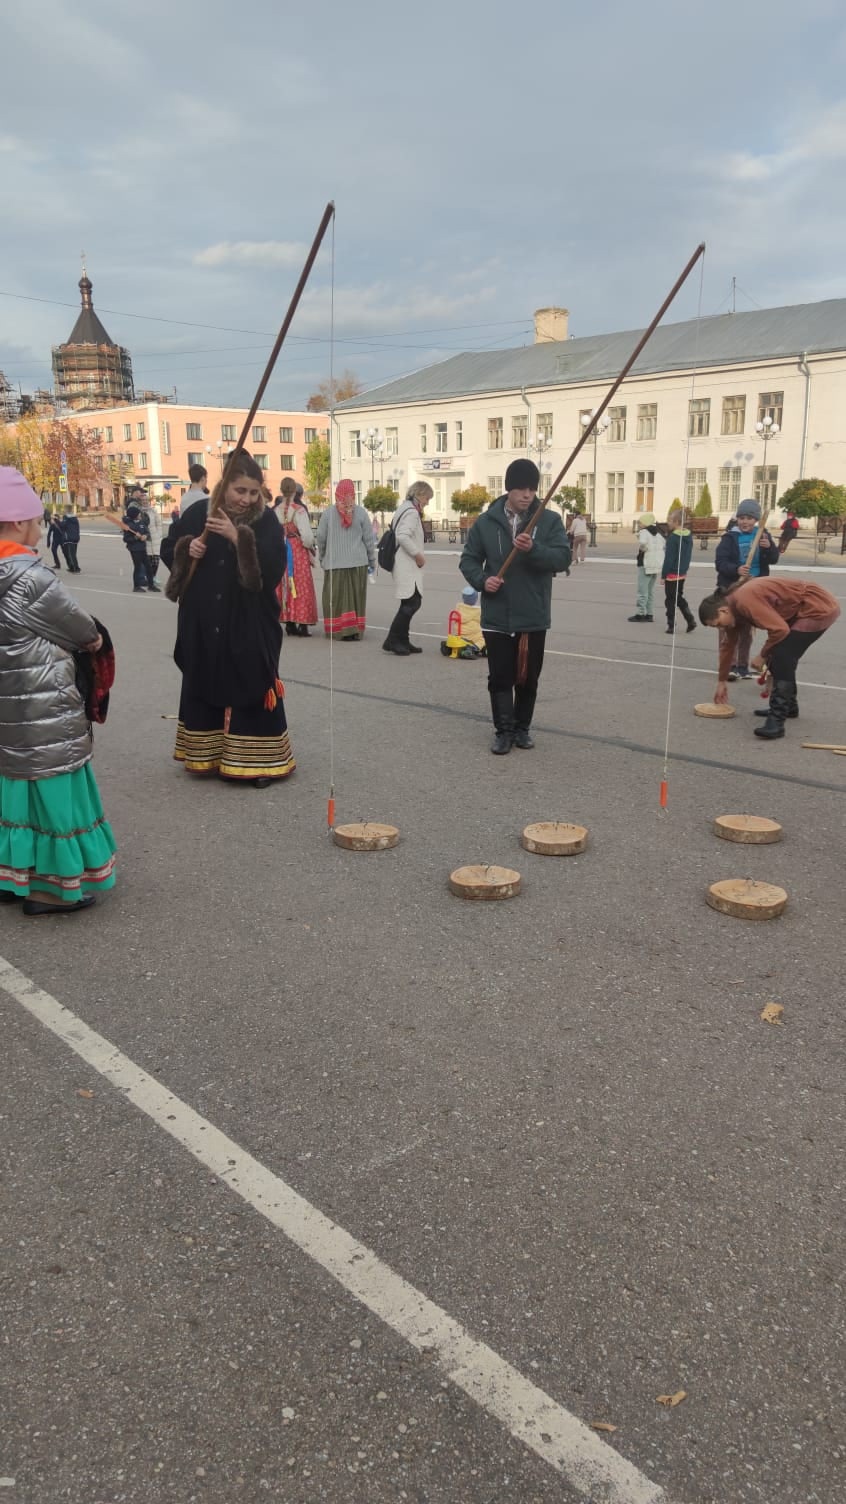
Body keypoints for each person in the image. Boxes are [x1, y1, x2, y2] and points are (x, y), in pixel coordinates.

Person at [0, 467, 116, 915]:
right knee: (54, 792)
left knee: (14, 789)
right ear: (17, 523)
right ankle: (50, 887)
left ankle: (14, 876)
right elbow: (81, 629)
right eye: (35, 520)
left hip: (8, 712)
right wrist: (97, 642)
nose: (39, 528)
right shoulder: (29, 577)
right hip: (43, 706)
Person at [161, 451, 294, 787]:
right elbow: (168, 546)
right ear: (224, 486)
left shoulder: (264, 521)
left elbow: (273, 568)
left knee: (251, 676)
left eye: (253, 492)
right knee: (204, 674)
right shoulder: (196, 514)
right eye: (240, 491)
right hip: (203, 616)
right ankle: (205, 754)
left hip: (247, 617)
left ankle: (257, 761)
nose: (246, 499)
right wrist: (186, 549)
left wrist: (238, 538)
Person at [460, 458, 571, 753]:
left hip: (533, 613)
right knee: (500, 677)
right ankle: (503, 731)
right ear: (508, 489)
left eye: (532, 489)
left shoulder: (548, 521)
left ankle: (522, 728)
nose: (527, 495)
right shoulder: (486, 523)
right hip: (497, 614)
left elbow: (562, 557)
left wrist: (535, 549)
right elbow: (468, 560)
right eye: (521, 488)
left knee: (528, 677)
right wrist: (484, 581)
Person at [698, 578, 840, 739]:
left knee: (782, 656)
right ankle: (789, 708)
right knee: (779, 654)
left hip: (817, 607)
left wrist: (762, 655)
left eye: (717, 624)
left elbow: (779, 630)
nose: (719, 628)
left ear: (723, 610)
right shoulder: (732, 613)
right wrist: (721, 681)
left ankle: (776, 722)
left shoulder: (744, 600)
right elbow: (727, 647)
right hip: (797, 612)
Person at [714, 498, 779, 680]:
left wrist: (768, 549)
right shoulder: (729, 538)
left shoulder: (762, 535)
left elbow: (773, 558)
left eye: (749, 518)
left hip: (754, 590)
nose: (745, 522)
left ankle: (742, 666)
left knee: (746, 630)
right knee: (728, 628)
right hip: (732, 589)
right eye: (741, 518)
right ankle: (729, 666)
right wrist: (736, 569)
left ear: (756, 519)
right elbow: (720, 563)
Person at [315, 479, 376, 641]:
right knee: (356, 598)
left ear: (337, 494)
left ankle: (338, 631)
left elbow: (320, 538)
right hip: (358, 564)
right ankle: (355, 630)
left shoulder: (328, 514)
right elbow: (369, 541)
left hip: (334, 565)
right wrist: (372, 562)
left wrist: (323, 557)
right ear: (353, 494)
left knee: (335, 599)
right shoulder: (361, 513)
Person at [382, 480, 432, 656]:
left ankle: (402, 639)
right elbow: (403, 536)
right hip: (407, 563)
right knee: (412, 602)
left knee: (409, 601)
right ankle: (393, 639)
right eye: (427, 498)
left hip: (403, 562)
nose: (427, 502)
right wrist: (417, 554)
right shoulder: (411, 512)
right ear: (419, 495)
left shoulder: (405, 507)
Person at [278, 478, 318, 637]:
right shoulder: (299, 510)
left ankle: (289, 622)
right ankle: (302, 623)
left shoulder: (276, 510)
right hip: (297, 551)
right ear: (294, 491)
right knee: (301, 585)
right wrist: (310, 547)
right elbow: (307, 537)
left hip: (283, 549)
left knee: (286, 584)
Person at [662, 510, 696, 634]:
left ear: (676, 522)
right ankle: (690, 619)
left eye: (669, 520)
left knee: (670, 599)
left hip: (672, 573)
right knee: (678, 596)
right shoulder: (688, 535)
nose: (668, 522)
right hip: (682, 572)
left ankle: (671, 624)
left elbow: (669, 558)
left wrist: (663, 575)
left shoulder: (673, 538)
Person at [628, 512, 664, 622]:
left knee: (642, 591)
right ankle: (650, 614)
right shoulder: (658, 534)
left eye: (640, 522)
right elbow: (663, 544)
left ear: (645, 523)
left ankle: (640, 614)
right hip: (655, 565)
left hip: (645, 564)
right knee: (650, 591)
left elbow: (643, 543)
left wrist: (643, 548)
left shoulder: (644, 532)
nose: (639, 524)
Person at [121, 500, 153, 592]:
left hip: (143, 548)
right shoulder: (128, 525)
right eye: (138, 514)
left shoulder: (141, 523)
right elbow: (126, 539)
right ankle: (136, 586)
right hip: (135, 550)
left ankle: (151, 585)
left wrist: (145, 536)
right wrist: (135, 537)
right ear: (134, 515)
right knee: (138, 567)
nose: (140, 515)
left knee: (148, 567)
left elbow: (147, 532)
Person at [135, 488, 163, 590]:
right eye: (143, 500)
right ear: (141, 502)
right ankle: (148, 578)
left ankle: (154, 576)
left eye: (146, 500)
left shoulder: (153, 511)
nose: (145, 502)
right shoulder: (139, 512)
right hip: (145, 539)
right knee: (148, 561)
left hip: (155, 539)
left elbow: (158, 523)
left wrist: (159, 534)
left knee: (156, 561)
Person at [451, 584, 486, 651]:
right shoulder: (477, 611)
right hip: (472, 634)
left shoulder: (459, 607)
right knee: (483, 639)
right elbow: (481, 620)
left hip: (459, 632)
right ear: (475, 599)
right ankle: (475, 647)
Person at [61, 505, 81, 572]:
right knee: (73, 554)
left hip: (69, 538)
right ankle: (72, 567)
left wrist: (58, 522)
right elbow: (78, 528)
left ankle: (76, 568)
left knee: (71, 554)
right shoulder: (75, 518)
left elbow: (63, 526)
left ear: (66, 510)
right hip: (75, 537)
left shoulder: (65, 517)